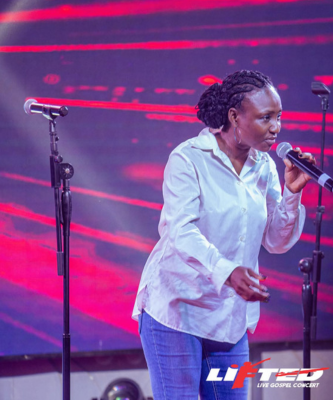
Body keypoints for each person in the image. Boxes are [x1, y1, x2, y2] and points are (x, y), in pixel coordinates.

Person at [132, 70, 314, 399]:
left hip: (228, 317)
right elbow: (181, 231)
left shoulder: (264, 166)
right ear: (234, 117)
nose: (276, 127)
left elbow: (276, 241)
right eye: (266, 117)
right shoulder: (189, 158)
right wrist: (227, 271)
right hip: (177, 309)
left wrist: (292, 193)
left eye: (279, 117)